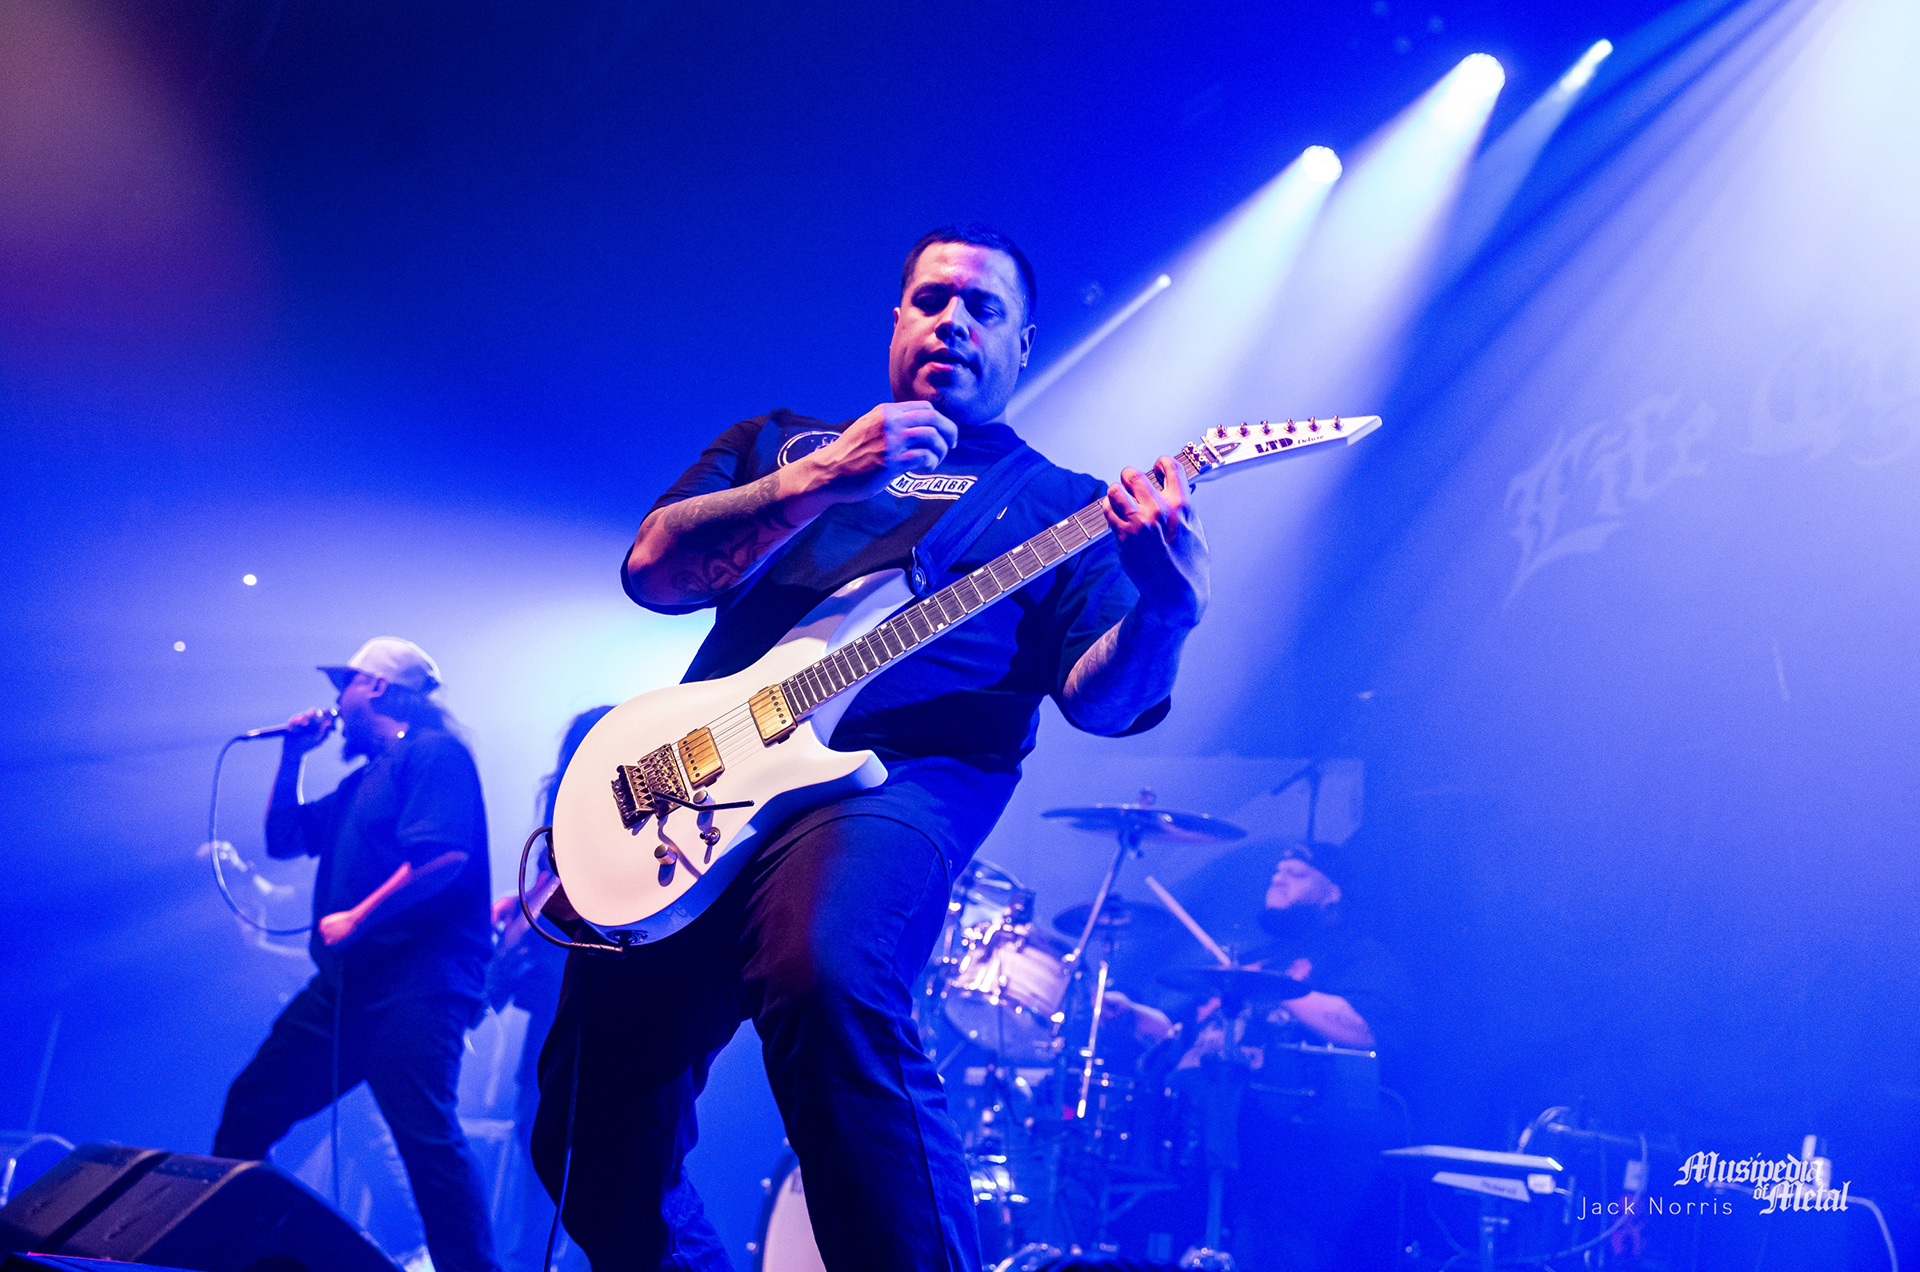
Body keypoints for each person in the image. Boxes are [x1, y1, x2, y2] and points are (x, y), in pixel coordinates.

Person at [532, 224, 1210, 1272]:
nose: (955, 321)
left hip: (897, 784)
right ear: (896, 320)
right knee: (585, 1129)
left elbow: (1105, 704)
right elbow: (652, 572)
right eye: (933, 299)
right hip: (702, 777)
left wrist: (1166, 610)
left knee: (827, 965)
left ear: (1022, 344)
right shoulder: (784, 442)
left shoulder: (1066, 507)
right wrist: (815, 481)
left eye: (984, 307)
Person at [214, 636, 502, 1272]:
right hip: (348, 989)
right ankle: (240, 1257)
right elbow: (283, 838)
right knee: (251, 1106)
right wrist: (293, 755)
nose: (336, 703)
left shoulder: (435, 754)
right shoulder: (361, 780)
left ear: (375, 686)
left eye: (343, 686)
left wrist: (357, 917)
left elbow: (444, 857)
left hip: (418, 985)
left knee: (427, 1143)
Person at [1112, 842, 1412, 1272]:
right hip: (1200, 1136)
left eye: (1297, 873)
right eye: (1278, 871)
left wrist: (1279, 989)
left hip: (1290, 1151)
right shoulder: (1255, 959)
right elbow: (1179, 1033)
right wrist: (1131, 1014)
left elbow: (1364, 1029)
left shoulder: (1356, 955)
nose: (1279, 877)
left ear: (1333, 893)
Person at [488, 706, 612, 1272]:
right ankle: (534, 1257)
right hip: (563, 986)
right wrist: (523, 906)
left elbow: (559, 885)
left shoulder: (594, 804)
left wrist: (527, 917)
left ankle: (534, 1258)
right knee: (540, 1130)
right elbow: (551, 879)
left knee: (550, 1133)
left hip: (579, 984)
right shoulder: (570, 806)